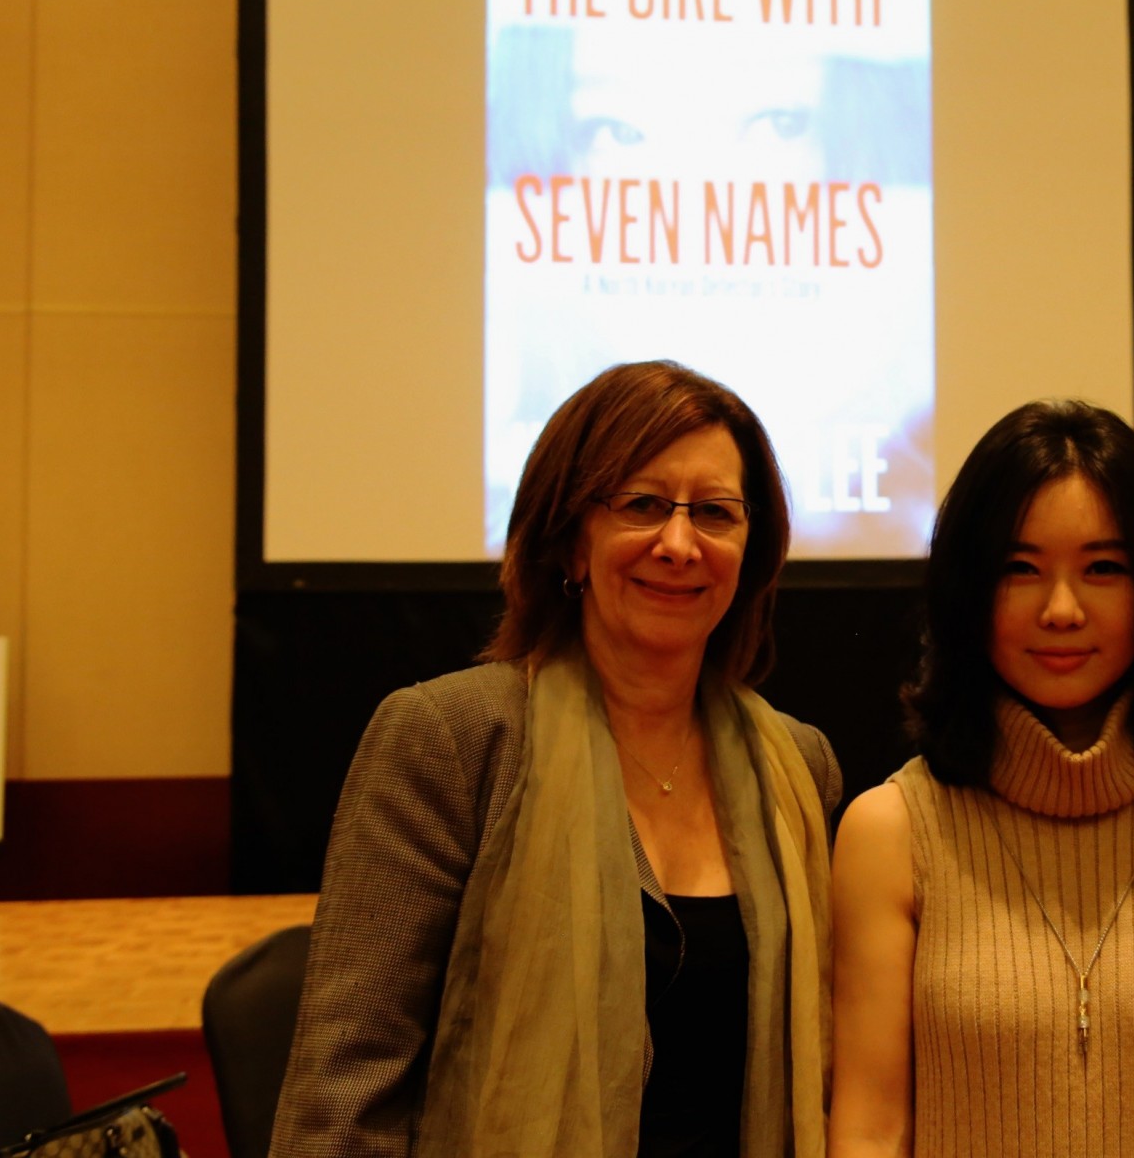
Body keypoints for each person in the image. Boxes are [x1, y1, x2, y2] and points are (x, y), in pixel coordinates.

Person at [272, 361, 839, 1158]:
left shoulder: (799, 767)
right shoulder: (452, 739)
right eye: (643, 505)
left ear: (751, 552)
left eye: (715, 514)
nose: (679, 544)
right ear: (571, 538)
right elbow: (345, 1091)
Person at [829, 400, 1134, 1157]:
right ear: (967, 591)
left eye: (1103, 569)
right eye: (1019, 569)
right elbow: (870, 1129)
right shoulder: (889, 831)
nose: (1061, 609)